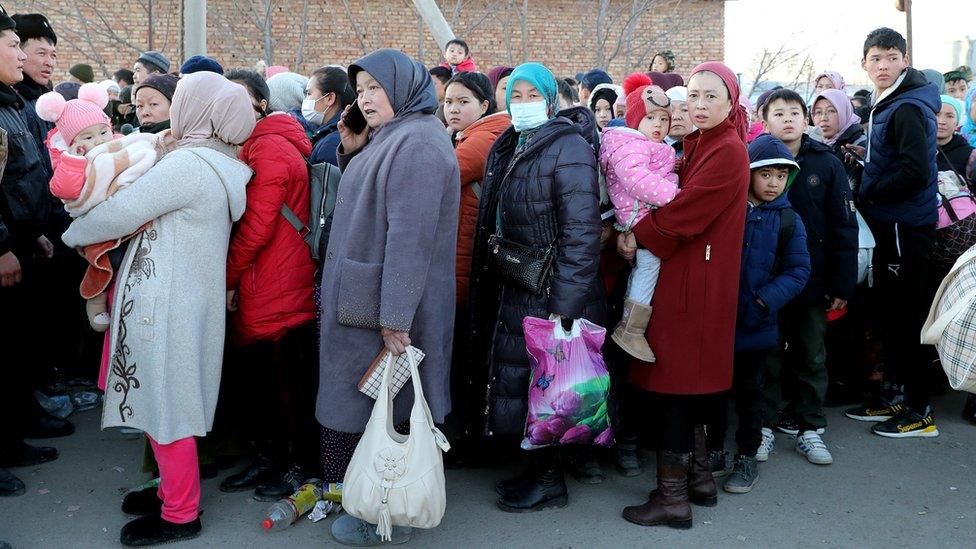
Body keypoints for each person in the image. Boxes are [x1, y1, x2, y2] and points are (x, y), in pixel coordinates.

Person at [61, 71, 255, 546]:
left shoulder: (188, 165)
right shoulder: (217, 162)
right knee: (163, 402)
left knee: (167, 408)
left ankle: (181, 514)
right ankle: (170, 492)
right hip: (182, 301)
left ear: (197, 110)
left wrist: (72, 230)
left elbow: (114, 215)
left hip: (166, 306)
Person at [315, 49, 458, 547]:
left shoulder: (417, 144)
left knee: (384, 409)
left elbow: (410, 239)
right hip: (369, 297)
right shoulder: (396, 137)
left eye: (377, 88)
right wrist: (353, 151)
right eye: (362, 88)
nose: (367, 98)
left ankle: (382, 508)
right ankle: (365, 498)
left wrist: (395, 316)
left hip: (390, 306)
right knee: (367, 402)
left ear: (403, 88)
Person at [468, 61, 605, 513]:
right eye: (516, 96)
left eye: (533, 96)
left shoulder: (567, 146)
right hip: (516, 282)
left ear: (549, 99)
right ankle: (535, 469)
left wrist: (565, 303)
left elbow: (582, 232)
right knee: (527, 383)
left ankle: (551, 479)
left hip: (548, 289)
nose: (524, 105)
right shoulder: (513, 142)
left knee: (549, 385)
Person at [618, 61, 749, 530]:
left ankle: (672, 499)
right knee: (690, 385)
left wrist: (639, 232)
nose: (699, 103)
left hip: (697, 281)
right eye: (692, 95)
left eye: (711, 95)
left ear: (731, 101)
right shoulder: (702, 142)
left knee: (675, 385)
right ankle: (698, 479)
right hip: (696, 276)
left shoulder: (728, 149)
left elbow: (687, 212)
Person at [220, 69, 319, 500]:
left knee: (283, 385)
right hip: (275, 276)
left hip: (274, 281)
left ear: (261, 103)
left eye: (240, 99)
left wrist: (225, 277)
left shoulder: (269, 148)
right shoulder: (264, 142)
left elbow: (257, 225)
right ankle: (270, 459)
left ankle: (293, 466)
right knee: (270, 382)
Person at [844, 28, 942, 438]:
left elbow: (916, 172)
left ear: (904, 59)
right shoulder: (890, 103)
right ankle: (898, 397)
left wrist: (870, 190)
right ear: (864, 63)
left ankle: (920, 410)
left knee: (908, 316)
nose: (882, 65)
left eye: (890, 56)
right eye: (874, 58)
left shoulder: (907, 108)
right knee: (892, 315)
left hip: (905, 226)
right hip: (893, 222)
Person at [759, 89, 857, 463]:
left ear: (807, 120)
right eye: (779, 113)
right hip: (766, 280)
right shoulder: (754, 161)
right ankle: (764, 426)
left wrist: (841, 283)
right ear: (764, 120)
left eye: (795, 112)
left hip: (814, 279)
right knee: (767, 353)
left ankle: (810, 428)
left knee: (811, 355)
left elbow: (843, 227)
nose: (788, 119)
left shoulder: (826, 163)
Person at [710, 134, 810, 494]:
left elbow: (798, 271)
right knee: (714, 393)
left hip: (757, 323)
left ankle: (747, 457)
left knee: (752, 395)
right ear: (748, 173)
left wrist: (763, 302)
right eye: (766, 174)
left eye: (781, 176)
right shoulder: (727, 210)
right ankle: (714, 451)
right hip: (718, 320)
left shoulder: (787, 220)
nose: (773, 183)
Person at [37, 83, 160, 332]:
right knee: (106, 260)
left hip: (122, 213)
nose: (98, 141)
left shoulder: (118, 145)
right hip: (94, 220)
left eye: (102, 133)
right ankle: (95, 302)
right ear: (73, 141)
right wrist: (73, 159)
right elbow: (64, 190)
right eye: (88, 137)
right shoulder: (68, 158)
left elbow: (133, 162)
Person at [0, 10, 62, 499]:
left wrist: (32, 235)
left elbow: (24, 177)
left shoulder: (10, 104)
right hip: (5, 245)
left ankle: (13, 435)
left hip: (22, 239)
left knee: (16, 348)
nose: (21, 56)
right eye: (13, 45)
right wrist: (1, 244)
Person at [442, 70, 509, 450]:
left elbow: (437, 175)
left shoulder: (484, 138)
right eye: (449, 101)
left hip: (466, 263)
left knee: (468, 358)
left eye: (463, 102)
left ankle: (468, 439)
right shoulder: (471, 136)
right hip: (467, 259)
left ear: (484, 106)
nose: (452, 109)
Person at [601, 73, 678, 363]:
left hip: (645, 214)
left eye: (663, 119)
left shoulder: (647, 144)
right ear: (635, 120)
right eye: (650, 119)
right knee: (648, 266)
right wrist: (677, 195)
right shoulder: (629, 144)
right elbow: (639, 182)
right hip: (639, 216)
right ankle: (631, 327)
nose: (657, 125)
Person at [11, 13, 57, 176]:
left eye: (53, 55)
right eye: (41, 53)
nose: (49, 62)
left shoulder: (47, 101)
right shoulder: (11, 100)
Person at [303, 66, 355, 166]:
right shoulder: (330, 134)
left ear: (330, 99)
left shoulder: (331, 144)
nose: (305, 100)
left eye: (309, 93)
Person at [936, 94, 973, 184]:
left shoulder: (970, 155)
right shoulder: (915, 148)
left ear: (957, 123)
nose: (941, 121)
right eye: (936, 114)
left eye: (950, 116)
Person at [665, 86, 691, 156]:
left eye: (684, 110)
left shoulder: (704, 148)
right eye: (671, 111)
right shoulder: (650, 148)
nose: (676, 117)